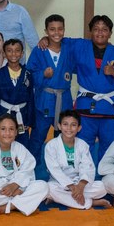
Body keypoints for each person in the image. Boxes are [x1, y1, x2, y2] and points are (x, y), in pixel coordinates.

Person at [71, 15, 114, 163]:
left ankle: (105, 171)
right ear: (90, 32)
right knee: (84, 142)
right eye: (96, 29)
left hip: (109, 106)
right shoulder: (80, 46)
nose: (100, 33)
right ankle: (85, 171)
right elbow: (60, 41)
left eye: (104, 29)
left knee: (108, 144)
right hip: (86, 105)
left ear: (110, 33)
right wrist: (45, 40)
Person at [0, 114, 48, 218]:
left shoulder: (20, 149)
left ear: (16, 132)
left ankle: (5, 208)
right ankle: (22, 203)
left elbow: (27, 170)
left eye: (11, 129)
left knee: (43, 186)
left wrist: (16, 185)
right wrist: (4, 188)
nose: (7, 133)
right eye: (3, 129)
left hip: (17, 187)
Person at [28, 14, 74, 166]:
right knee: (37, 136)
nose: (56, 33)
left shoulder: (69, 49)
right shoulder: (39, 50)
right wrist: (43, 74)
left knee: (65, 136)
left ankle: (64, 166)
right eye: (52, 29)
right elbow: (29, 75)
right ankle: (32, 167)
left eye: (60, 29)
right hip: (44, 101)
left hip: (64, 100)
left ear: (64, 30)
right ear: (46, 31)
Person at [44, 110, 111, 210]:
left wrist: (81, 186)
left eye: (73, 125)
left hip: (78, 181)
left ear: (79, 128)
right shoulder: (51, 146)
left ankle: (60, 198)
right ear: (59, 126)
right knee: (48, 188)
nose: (69, 128)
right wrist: (72, 187)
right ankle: (91, 202)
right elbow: (55, 170)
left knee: (102, 187)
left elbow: (87, 166)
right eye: (65, 124)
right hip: (59, 183)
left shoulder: (82, 145)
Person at [0, 39, 34, 151]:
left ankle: (21, 162)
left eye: (17, 50)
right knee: (3, 143)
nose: (13, 54)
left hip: (22, 114)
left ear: (22, 53)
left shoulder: (27, 74)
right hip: (4, 113)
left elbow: (31, 98)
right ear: (4, 54)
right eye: (9, 51)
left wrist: (29, 120)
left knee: (22, 146)